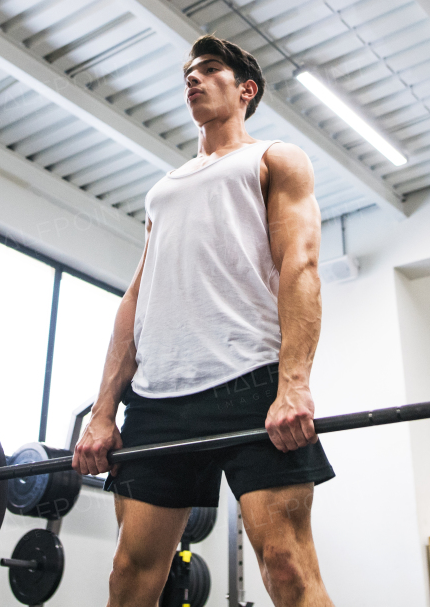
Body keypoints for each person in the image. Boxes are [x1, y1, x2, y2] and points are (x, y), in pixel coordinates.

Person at [73, 36, 336, 607]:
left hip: (251, 385)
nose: (192, 79)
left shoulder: (274, 159)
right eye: (188, 73)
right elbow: (136, 299)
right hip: (160, 399)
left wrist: (293, 383)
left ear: (247, 89)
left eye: (209, 70)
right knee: (129, 574)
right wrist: (102, 413)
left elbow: (301, 266)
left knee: (286, 565)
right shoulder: (162, 191)